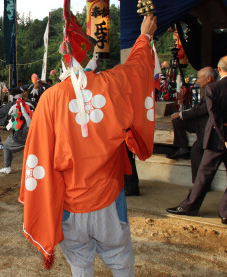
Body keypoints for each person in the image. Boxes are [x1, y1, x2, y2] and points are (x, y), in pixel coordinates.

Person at [20, 14, 158, 274]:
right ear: (92, 57)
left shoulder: (49, 99)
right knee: (120, 259)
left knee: (80, 264)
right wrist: (145, 35)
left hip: (71, 203)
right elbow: (137, 69)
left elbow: (37, 156)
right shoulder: (111, 85)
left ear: (64, 60)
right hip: (109, 196)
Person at [166, 56, 227, 225]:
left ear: (219, 70)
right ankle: (226, 212)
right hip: (220, 135)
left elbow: (215, 116)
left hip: (217, 137)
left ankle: (190, 206)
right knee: (202, 171)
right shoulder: (213, 87)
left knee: (204, 174)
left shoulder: (214, 88)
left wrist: (224, 137)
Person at [166, 67, 217, 182]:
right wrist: (181, 114)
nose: (198, 81)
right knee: (178, 121)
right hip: (200, 123)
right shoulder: (209, 89)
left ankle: (200, 184)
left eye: (200, 78)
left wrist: (181, 114)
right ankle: (182, 148)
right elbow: (198, 109)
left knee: (196, 150)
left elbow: (202, 110)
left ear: (209, 78)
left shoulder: (213, 90)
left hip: (207, 127)